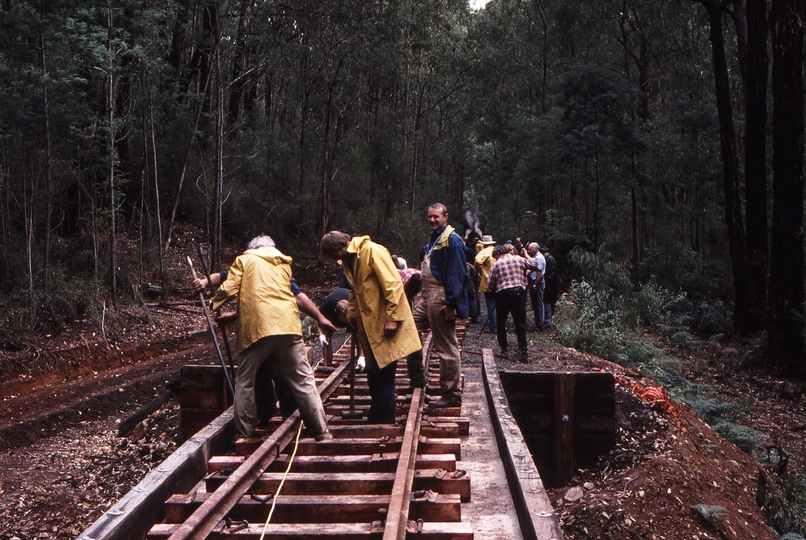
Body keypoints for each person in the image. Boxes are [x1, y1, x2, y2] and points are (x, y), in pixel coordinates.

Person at [211, 235, 332, 441]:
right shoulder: (283, 264)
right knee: (303, 380)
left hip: (258, 328)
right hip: (289, 326)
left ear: (254, 248)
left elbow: (230, 288)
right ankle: (321, 431)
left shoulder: (245, 259)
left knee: (245, 381)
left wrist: (215, 302)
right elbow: (281, 296)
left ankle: (244, 434)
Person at [196, 269, 335, 420]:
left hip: (278, 328)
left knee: (280, 373)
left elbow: (291, 298)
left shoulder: (278, 270)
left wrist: (230, 314)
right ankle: (266, 414)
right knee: (260, 372)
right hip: (257, 330)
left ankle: (288, 417)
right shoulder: (247, 265)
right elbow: (222, 276)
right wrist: (204, 281)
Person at [320, 231, 422, 424]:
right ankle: (378, 414)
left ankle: (382, 419)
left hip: (385, 323)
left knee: (385, 371)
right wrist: (351, 314)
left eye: (333, 255)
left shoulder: (372, 251)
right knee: (373, 371)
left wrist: (393, 318)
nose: (334, 259)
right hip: (369, 324)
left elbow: (393, 285)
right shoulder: (350, 261)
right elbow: (354, 292)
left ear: (340, 247)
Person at [407, 203, 468, 408]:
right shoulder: (435, 240)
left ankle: (451, 394)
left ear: (445, 217)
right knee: (409, 328)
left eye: (436, 217)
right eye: (429, 217)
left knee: (445, 345)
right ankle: (417, 377)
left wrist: (451, 303)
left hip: (441, 297)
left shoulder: (452, 241)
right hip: (428, 297)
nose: (432, 220)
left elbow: (457, 275)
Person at [487, 244, 539, 364]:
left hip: (503, 295)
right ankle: (524, 351)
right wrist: (526, 255)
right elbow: (535, 265)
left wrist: (498, 285)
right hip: (518, 294)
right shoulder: (518, 259)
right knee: (520, 323)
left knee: (501, 323)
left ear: (498, 255)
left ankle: (504, 350)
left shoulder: (496, 265)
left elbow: (490, 284)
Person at [475, 235, 498, 332]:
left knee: (490, 303)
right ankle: (499, 324)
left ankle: (493, 326)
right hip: (500, 281)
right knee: (498, 304)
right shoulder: (498, 250)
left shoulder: (484, 252)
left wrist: (483, 272)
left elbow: (477, 261)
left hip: (488, 281)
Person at [526, 242, 546, 329]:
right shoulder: (534, 257)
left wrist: (535, 285)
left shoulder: (539, 258)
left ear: (536, 249)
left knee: (538, 303)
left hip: (537, 282)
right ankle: (537, 322)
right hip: (533, 281)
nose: (528, 251)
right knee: (535, 303)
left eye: (530, 249)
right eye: (528, 249)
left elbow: (539, 273)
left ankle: (540, 323)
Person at [541, 244, 560, 326]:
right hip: (551, 284)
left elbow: (550, 274)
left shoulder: (549, 259)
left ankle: (549, 319)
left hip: (552, 285)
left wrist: (547, 286)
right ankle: (548, 318)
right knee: (548, 301)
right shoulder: (548, 258)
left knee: (549, 300)